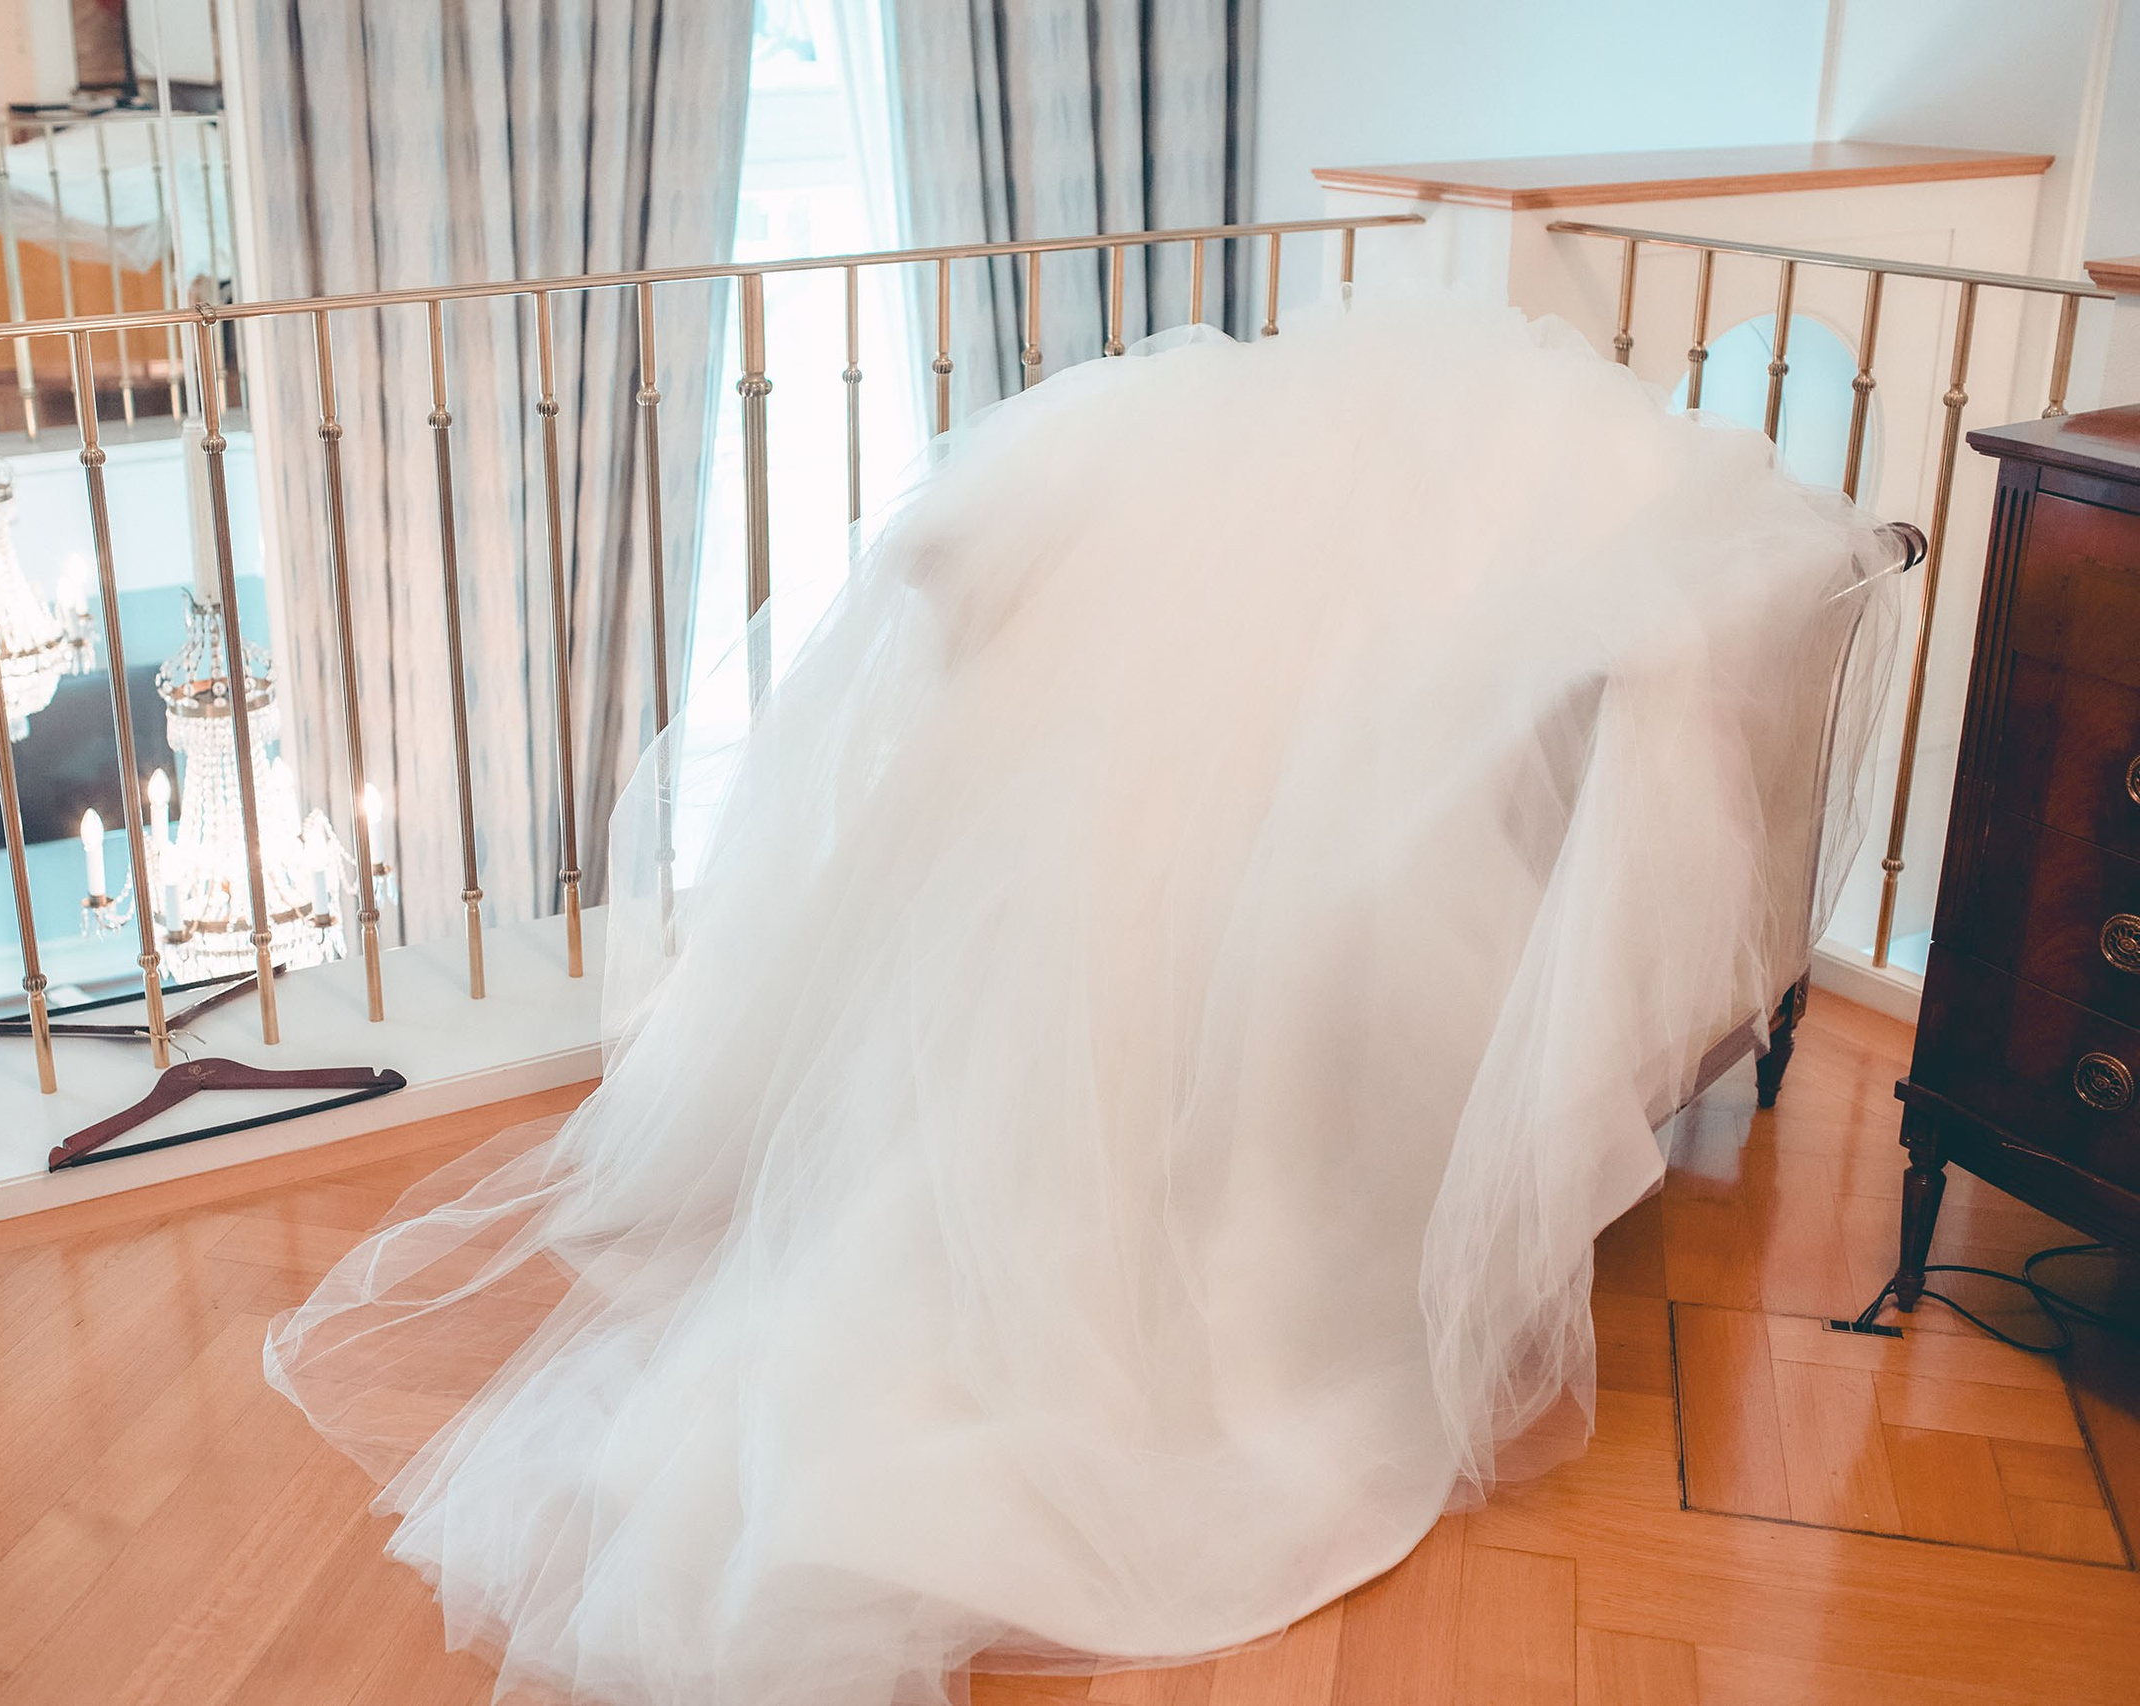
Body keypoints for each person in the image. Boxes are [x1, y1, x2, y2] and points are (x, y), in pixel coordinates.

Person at [266, 297, 1898, 1706]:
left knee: (1150, 1058)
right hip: (1234, 829)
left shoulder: (1386, 500)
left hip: (1281, 814)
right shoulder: (1376, 498)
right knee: (1114, 1145)